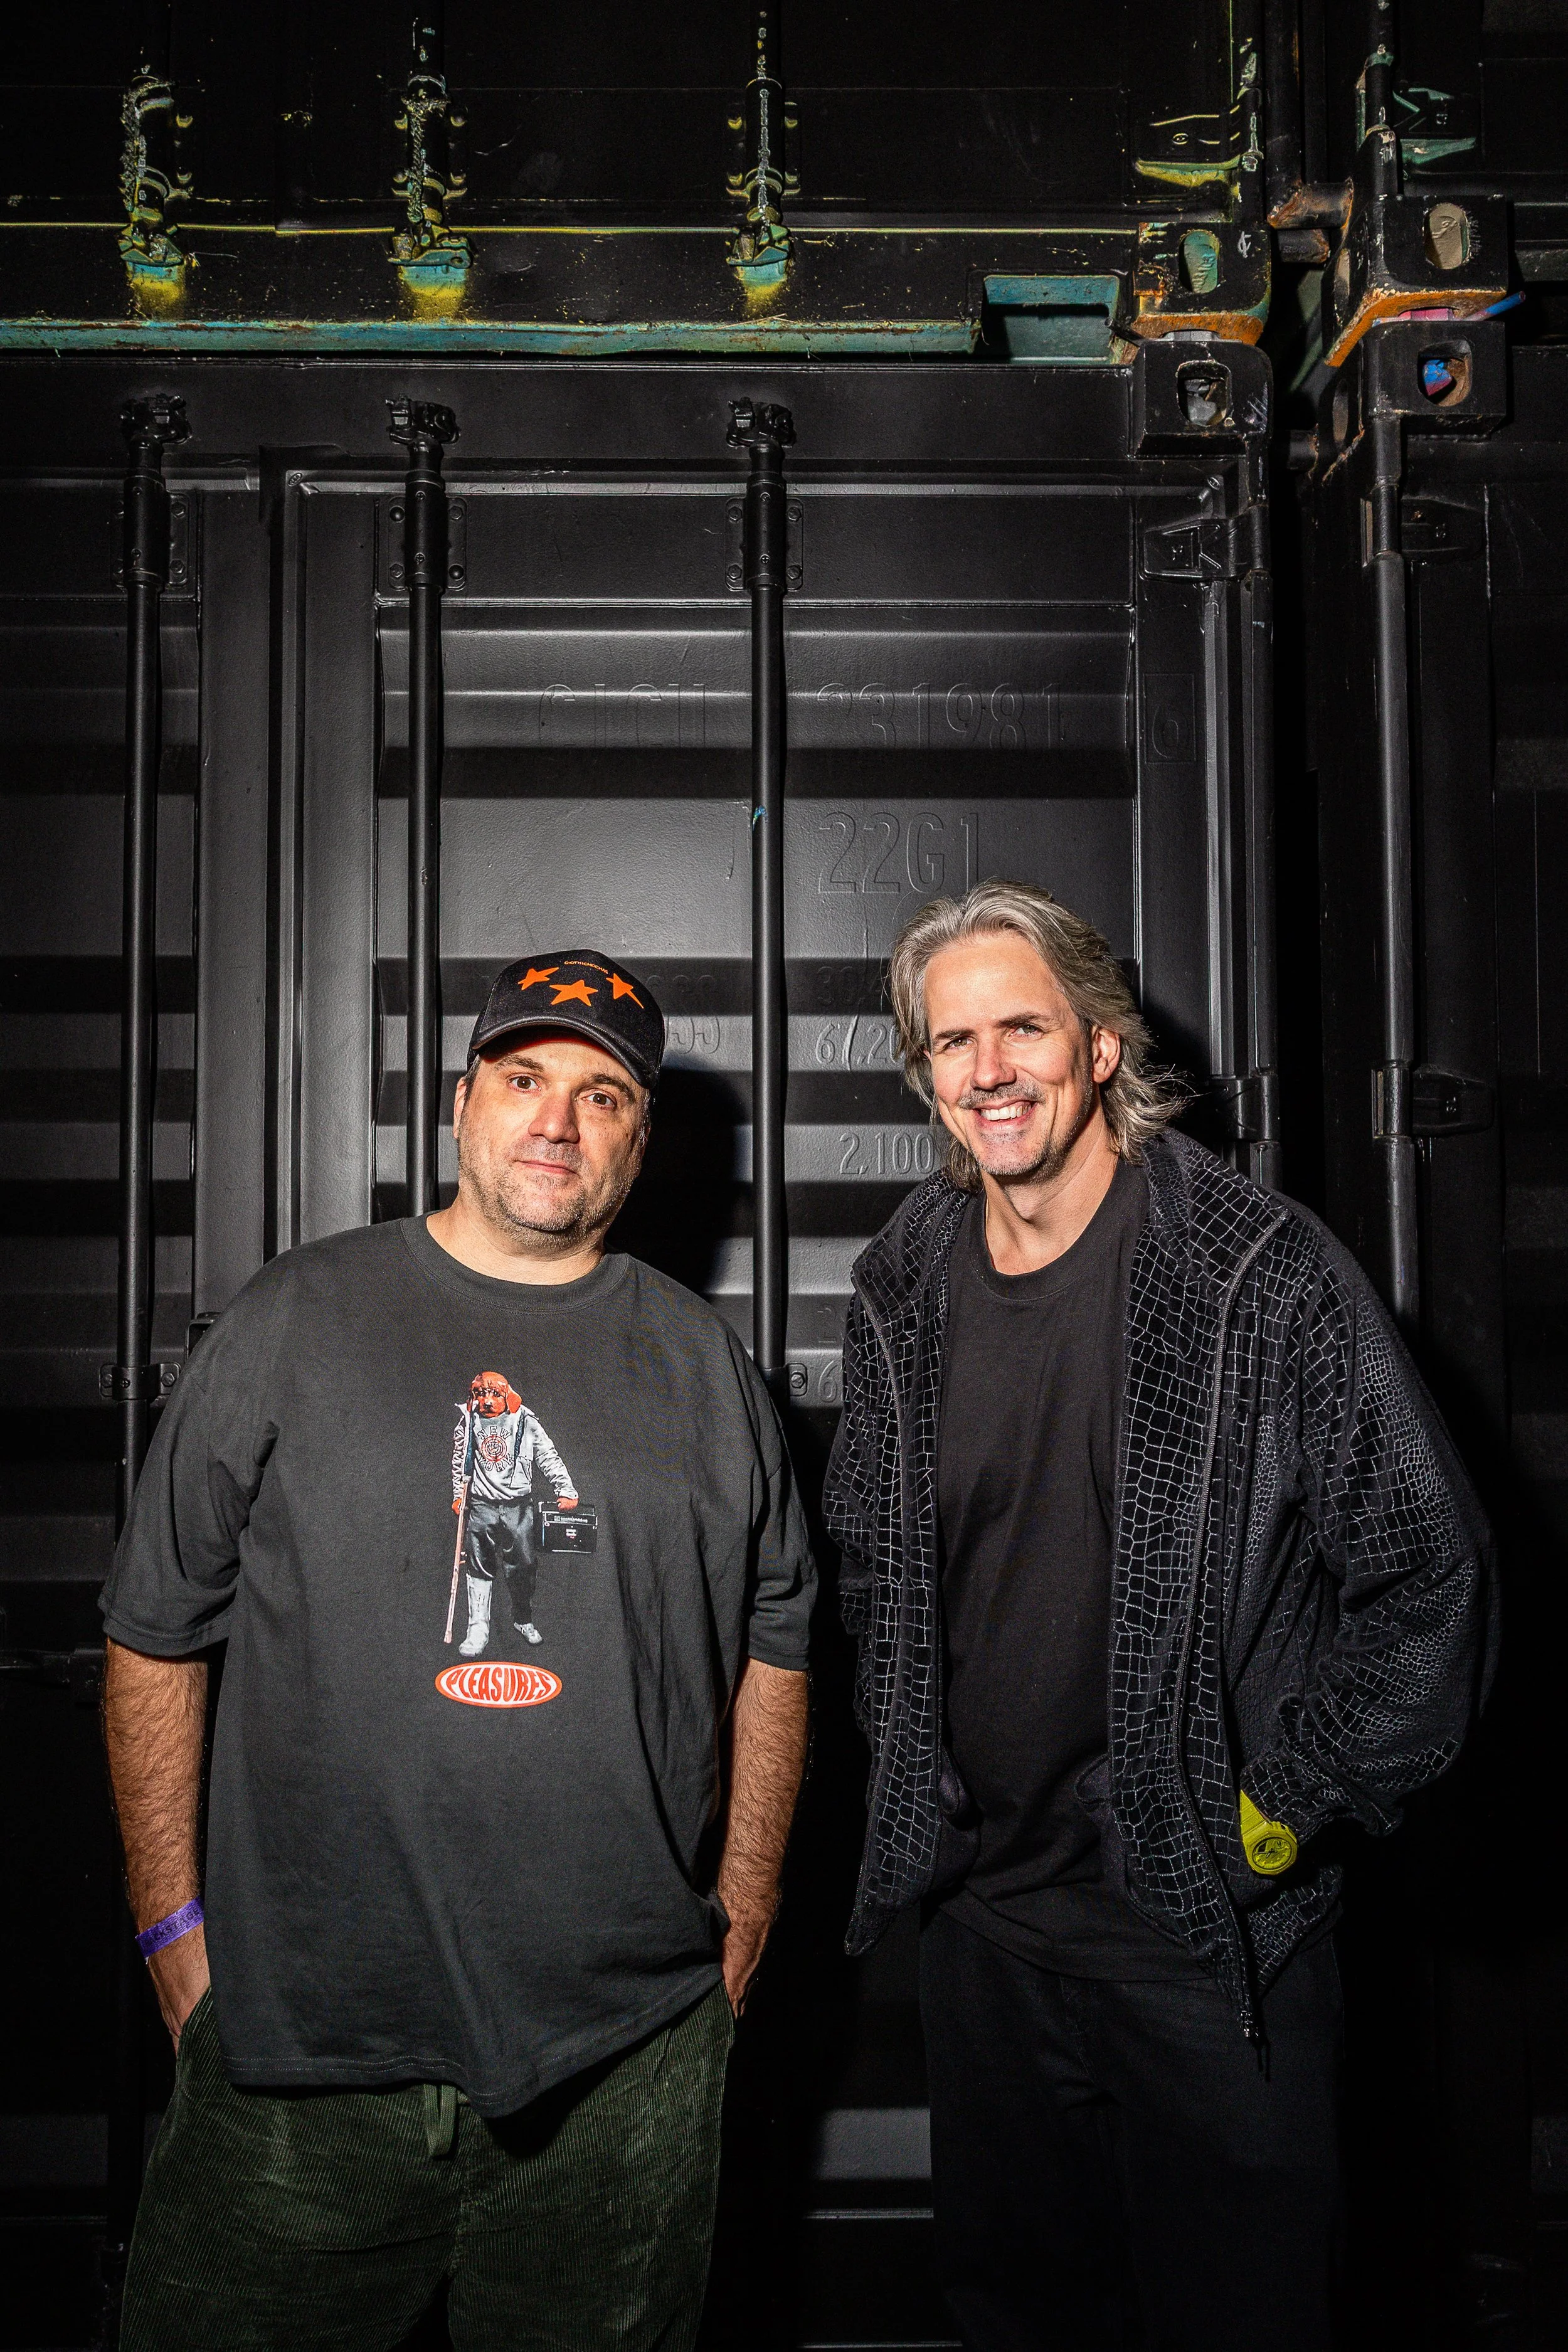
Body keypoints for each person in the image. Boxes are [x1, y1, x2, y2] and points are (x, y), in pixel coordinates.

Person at [102, 947, 815, 2352]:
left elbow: (778, 1650)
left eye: (601, 1096)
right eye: (524, 1077)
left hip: (621, 2071)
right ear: (459, 1101)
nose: (555, 1119)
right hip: (296, 2060)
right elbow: (150, 1632)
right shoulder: (292, 1319)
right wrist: (173, 1931)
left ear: (640, 1138)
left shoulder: (705, 1370)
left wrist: (736, 1929)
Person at [823, 881, 1496, 2352]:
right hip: (988, 1937)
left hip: (1203, 1937)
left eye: (1024, 1027)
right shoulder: (902, 1280)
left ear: (1103, 1043)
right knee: (1021, 2319)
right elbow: (868, 1570)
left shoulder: (1256, 1267)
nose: (991, 1069)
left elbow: (1427, 1575)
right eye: (955, 1041)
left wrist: (1272, 1816)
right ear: (926, 1071)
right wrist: (918, 1793)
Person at [452, 1366, 579, 1653]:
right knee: (478, 1564)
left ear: (508, 1396)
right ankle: (478, 1628)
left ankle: (523, 1619)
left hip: (517, 1507)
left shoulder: (525, 1421)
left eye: (494, 1394)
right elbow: (460, 1460)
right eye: (480, 1394)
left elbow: (547, 1455)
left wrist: (565, 1490)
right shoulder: (468, 1422)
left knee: (523, 1564)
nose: (486, 1401)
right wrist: (459, 1495)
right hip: (481, 1505)